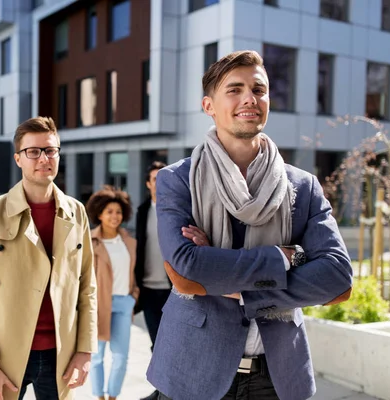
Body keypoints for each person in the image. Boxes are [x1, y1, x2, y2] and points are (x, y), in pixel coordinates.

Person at [147, 50, 353, 400]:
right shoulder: (176, 180)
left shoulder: (302, 187)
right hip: (195, 370)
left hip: (277, 375)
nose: (249, 98)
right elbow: (187, 272)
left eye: (259, 89)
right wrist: (290, 257)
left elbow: (337, 279)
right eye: (235, 89)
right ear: (209, 106)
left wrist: (234, 281)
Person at [0, 116, 97, 400]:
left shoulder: (76, 212)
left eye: (50, 150)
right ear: (18, 159)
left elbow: (87, 287)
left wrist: (85, 350)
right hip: (5, 353)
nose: (43, 158)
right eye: (33, 151)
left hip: (60, 354)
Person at [86, 186, 139, 400]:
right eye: (109, 211)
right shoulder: (90, 241)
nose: (114, 216)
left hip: (123, 303)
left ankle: (113, 396)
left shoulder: (129, 241)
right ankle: (99, 397)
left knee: (120, 357)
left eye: (118, 212)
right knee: (96, 356)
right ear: (99, 214)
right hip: (98, 304)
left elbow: (133, 271)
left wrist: (133, 296)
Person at [134, 161, 170, 400]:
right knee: (156, 343)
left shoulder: (177, 210)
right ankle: (161, 390)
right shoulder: (143, 210)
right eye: (155, 179)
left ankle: (167, 390)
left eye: (163, 178)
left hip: (173, 289)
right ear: (148, 184)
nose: (159, 183)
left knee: (171, 343)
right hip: (148, 288)